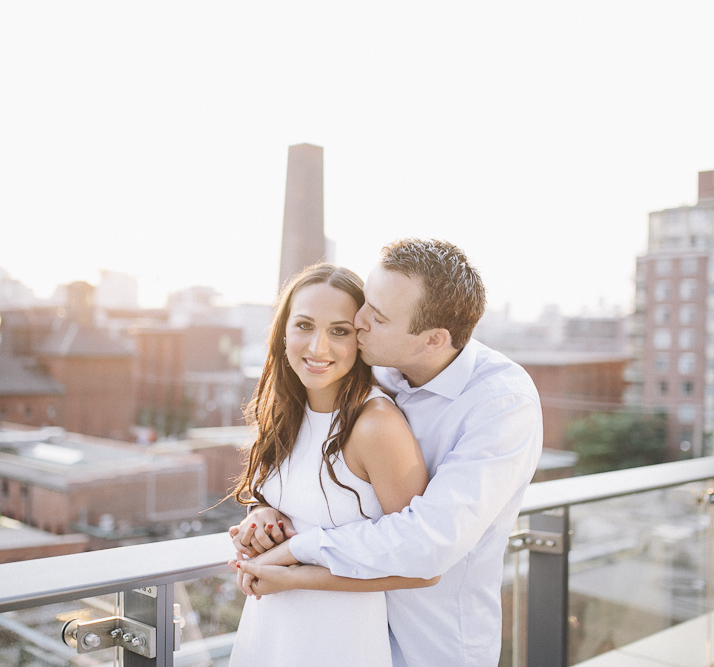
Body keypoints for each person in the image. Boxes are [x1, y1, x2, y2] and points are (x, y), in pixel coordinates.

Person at [231, 238, 543, 667]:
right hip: (328, 625)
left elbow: (427, 545)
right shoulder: (372, 364)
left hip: (433, 644)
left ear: (433, 340)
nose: (357, 322)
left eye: (375, 317)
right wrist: (265, 513)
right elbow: (319, 482)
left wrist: (295, 554)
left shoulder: (501, 404)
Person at [226, 262, 439, 667]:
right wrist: (262, 514)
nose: (318, 348)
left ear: (360, 339)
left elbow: (425, 567)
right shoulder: (284, 410)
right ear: (283, 332)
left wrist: (290, 574)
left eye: (339, 331)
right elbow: (300, 499)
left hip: (338, 643)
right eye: (304, 326)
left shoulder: (375, 425)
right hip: (268, 633)